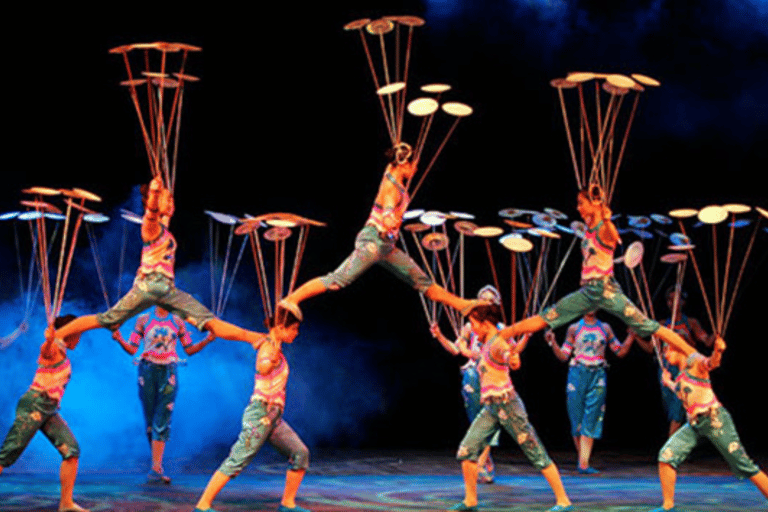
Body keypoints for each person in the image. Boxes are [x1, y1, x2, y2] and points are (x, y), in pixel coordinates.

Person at [53, 176, 265, 346]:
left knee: (210, 322)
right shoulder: (150, 227)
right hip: (148, 286)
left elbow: (163, 218)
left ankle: (256, 338)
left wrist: (164, 198)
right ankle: (57, 334)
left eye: (172, 199)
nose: (172, 203)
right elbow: (152, 214)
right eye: (168, 200)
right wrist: (154, 194)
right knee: (108, 319)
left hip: (167, 291)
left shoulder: (163, 230)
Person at [279, 143, 482, 318]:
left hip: (386, 247)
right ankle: (292, 299)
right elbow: (387, 210)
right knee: (337, 281)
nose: (416, 169)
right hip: (373, 242)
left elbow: (396, 156)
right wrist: (390, 223)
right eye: (415, 165)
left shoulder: (390, 171)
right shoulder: (391, 189)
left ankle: (462, 305)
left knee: (423, 282)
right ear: (404, 164)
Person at [500, 185, 697, 359]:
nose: (578, 207)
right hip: (588, 291)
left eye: (581, 203)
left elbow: (614, 237)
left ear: (593, 204)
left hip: (606, 290)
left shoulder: (603, 227)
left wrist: (606, 218)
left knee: (648, 326)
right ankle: (503, 334)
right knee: (548, 316)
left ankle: (692, 353)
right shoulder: (588, 228)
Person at [448, 304, 572, 512]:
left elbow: (509, 358)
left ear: (486, 324)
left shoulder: (497, 342)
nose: (472, 328)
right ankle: (470, 501)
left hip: (508, 405)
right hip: (491, 408)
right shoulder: (486, 343)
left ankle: (564, 500)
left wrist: (512, 359)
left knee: (535, 451)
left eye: (474, 323)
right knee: (467, 449)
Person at [193, 307, 311, 512]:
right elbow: (262, 366)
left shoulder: (275, 346)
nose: (296, 333)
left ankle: (287, 504)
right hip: (260, 414)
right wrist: (268, 363)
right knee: (238, 459)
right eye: (294, 328)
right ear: (281, 327)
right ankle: (203, 505)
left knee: (300, 453)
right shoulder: (267, 346)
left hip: (274, 417)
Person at [649, 337, 768, 511]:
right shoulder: (681, 374)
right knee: (666, 456)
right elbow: (685, 394)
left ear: (677, 349)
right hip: (695, 425)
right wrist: (668, 383)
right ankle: (668, 505)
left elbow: (711, 363)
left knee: (744, 464)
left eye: (666, 350)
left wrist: (717, 351)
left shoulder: (696, 363)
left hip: (714, 420)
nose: (664, 355)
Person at [112, 306, 216, 484]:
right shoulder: (143, 319)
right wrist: (120, 339)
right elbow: (132, 348)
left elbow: (189, 349)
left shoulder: (177, 320)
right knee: (150, 419)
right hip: (147, 371)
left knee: (163, 417)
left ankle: (156, 468)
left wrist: (207, 340)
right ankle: (156, 466)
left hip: (168, 372)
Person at [0, 315, 89, 512]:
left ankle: (66, 503)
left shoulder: (63, 352)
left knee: (71, 451)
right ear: (70, 333)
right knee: (7, 455)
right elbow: (45, 351)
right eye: (78, 334)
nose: (79, 339)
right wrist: (49, 340)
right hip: (34, 405)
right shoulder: (55, 348)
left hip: (48, 409)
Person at [430, 285, 510, 484]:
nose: (486, 303)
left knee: (494, 418)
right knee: (477, 421)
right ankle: (485, 461)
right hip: (473, 376)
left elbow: (511, 354)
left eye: (489, 301)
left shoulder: (502, 330)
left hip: (494, 378)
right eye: (482, 300)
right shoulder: (470, 327)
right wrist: (440, 335)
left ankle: (482, 462)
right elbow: (456, 349)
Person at [544, 311, 633, 474]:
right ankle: (583, 460)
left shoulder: (605, 328)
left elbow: (619, 351)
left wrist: (632, 336)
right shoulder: (574, 328)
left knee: (591, 416)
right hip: (577, 373)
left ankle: (583, 463)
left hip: (597, 374)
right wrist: (553, 342)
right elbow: (564, 355)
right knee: (576, 417)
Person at [634, 287, 713, 437]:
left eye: (676, 299)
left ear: (683, 302)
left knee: (677, 408)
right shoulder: (661, 325)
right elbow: (651, 348)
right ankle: (684, 443)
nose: (673, 303)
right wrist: (636, 337)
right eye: (670, 300)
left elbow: (706, 341)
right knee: (671, 410)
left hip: (685, 371)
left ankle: (671, 450)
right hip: (666, 371)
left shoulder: (691, 323)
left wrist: (716, 337)